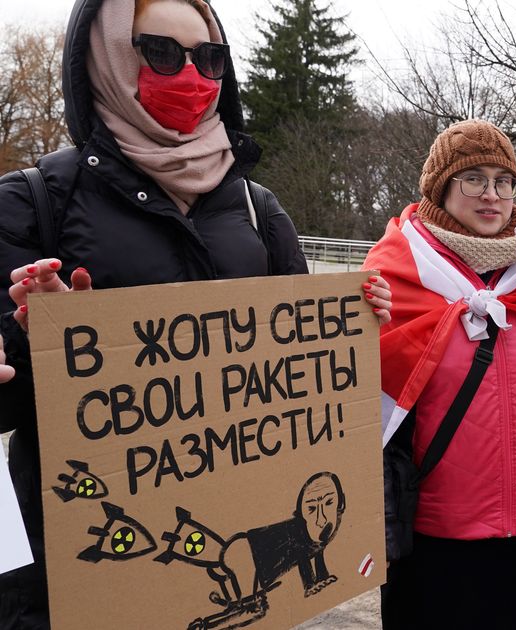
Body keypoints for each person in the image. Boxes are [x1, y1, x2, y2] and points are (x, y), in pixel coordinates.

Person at [0, 1, 390, 626]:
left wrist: (358, 320)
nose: (191, 75)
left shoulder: (259, 208)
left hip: (233, 567)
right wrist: (31, 347)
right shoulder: (34, 201)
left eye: (209, 58)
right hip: (81, 573)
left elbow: (302, 367)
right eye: (161, 52)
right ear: (106, 57)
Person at [365, 120, 516, 629]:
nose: (491, 195)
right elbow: (349, 394)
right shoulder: (390, 276)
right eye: (472, 178)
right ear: (440, 187)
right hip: (431, 537)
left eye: (503, 180)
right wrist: (358, 322)